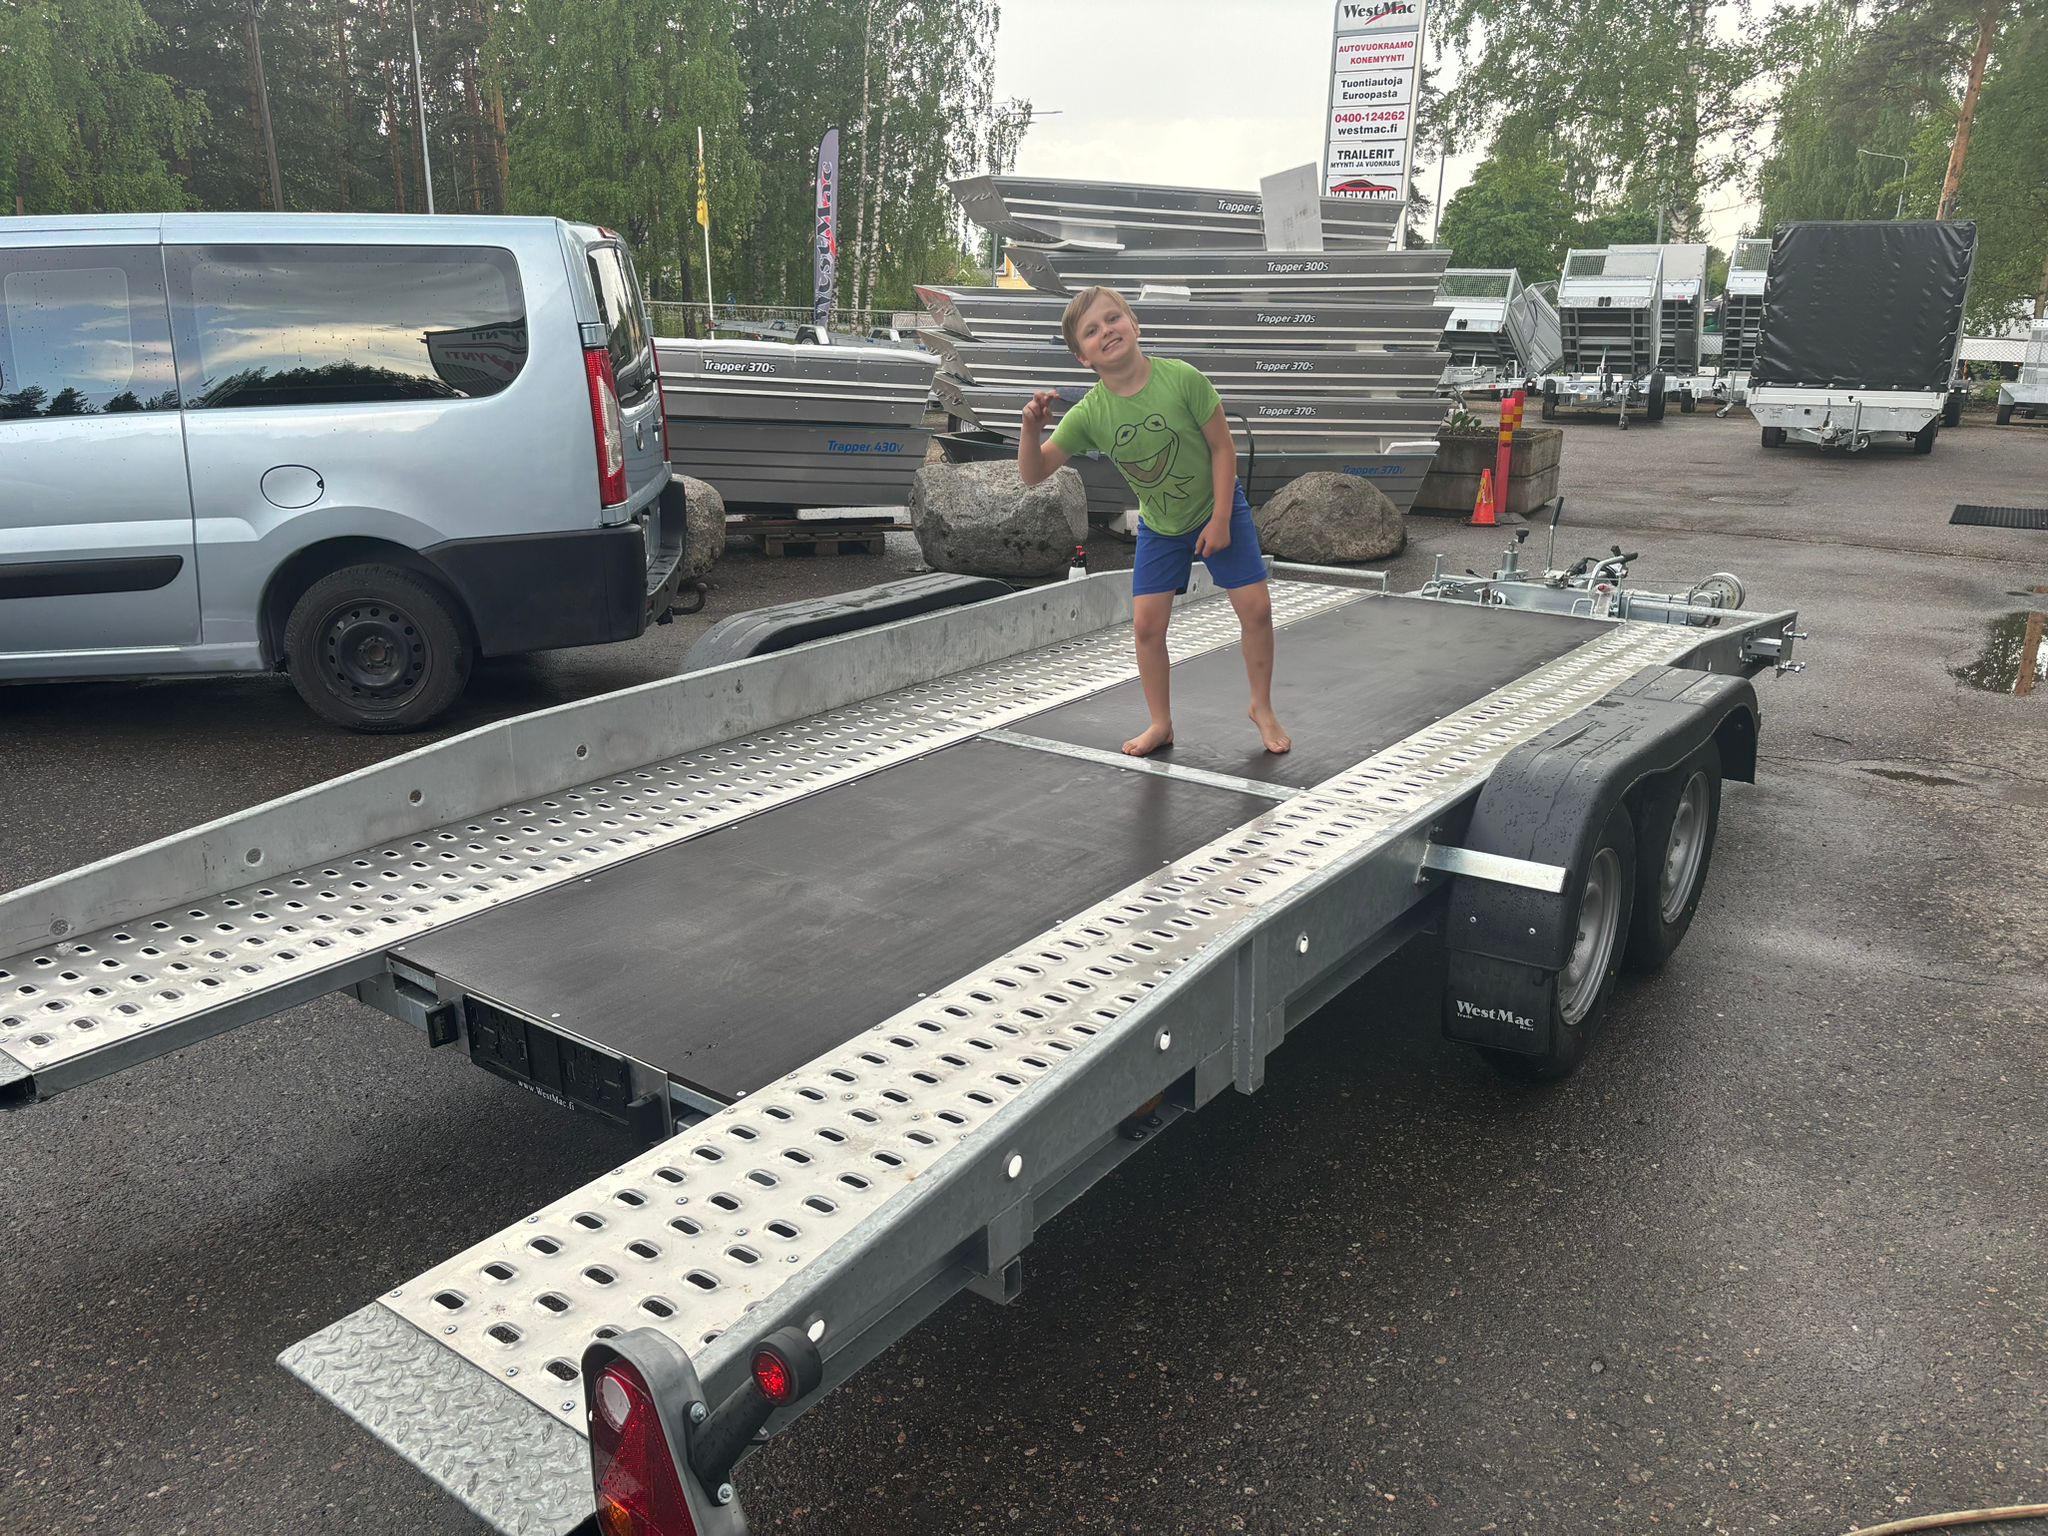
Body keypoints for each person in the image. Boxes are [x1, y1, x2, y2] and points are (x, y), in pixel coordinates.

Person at [1017, 286, 1289, 758]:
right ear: (1082, 356)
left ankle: (1261, 707)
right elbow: (1033, 473)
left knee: (1256, 609)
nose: (1107, 331)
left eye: (1113, 319)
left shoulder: (1182, 379)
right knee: (1146, 625)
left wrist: (1221, 518)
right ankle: (1160, 723)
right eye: (1092, 331)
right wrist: (1030, 429)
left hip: (1218, 506)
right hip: (1162, 526)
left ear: (1135, 325)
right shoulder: (1090, 414)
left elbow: (1223, 447)